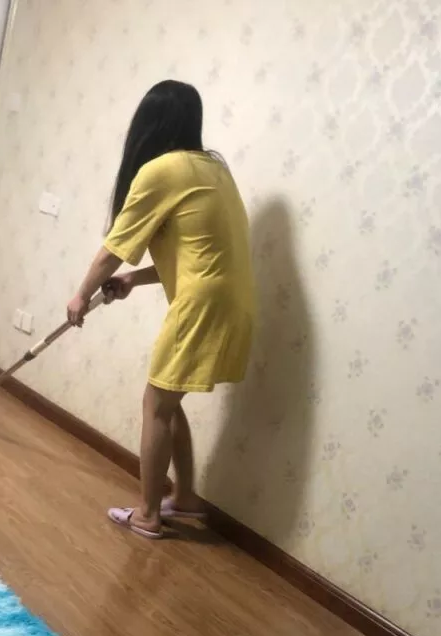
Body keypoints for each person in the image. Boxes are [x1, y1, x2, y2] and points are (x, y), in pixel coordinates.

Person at [66, 81, 255, 539]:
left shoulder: (162, 170)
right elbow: (199, 256)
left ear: (148, 124)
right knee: (169, 399)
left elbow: (114, 248)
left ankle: (148, 515)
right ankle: (184, 498)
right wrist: (135, 279)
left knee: (155, 404)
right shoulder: (213, 168)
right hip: (234, 299)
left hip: (202, 303)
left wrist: (80, 295)